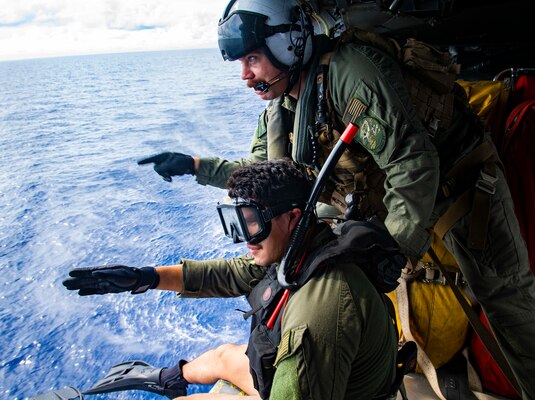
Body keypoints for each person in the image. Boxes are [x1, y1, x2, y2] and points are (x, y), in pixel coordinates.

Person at [136, 0, 535, 397]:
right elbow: (262, 177)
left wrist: (389, 253)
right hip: (384, 192)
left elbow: (412, 164)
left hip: (460, 184)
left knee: (507, 299)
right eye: (240, 63)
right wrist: (195, 166)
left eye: (253, 58)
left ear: (288, 44)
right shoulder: (284, 108)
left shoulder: (351, 75)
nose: (244, 75)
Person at [63, 159, 403, 399]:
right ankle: (167, 379)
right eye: (236, 223)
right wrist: (144, 278)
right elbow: (231, 273)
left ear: (292, 216)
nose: (245, 239)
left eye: (251, 223)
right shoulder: (303, 242)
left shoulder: (317, 316)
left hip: (336, 389)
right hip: (318, 375)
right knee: (224, 356)